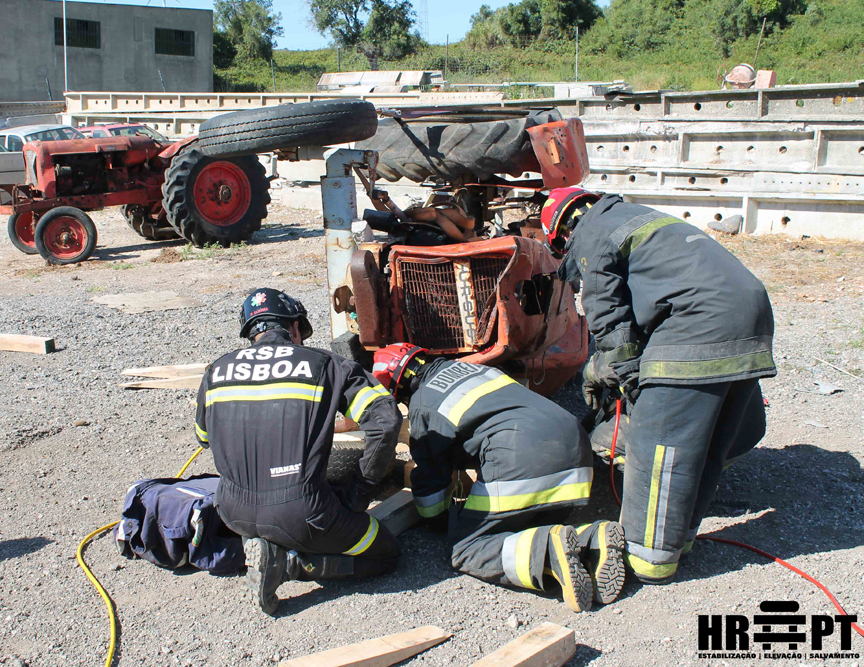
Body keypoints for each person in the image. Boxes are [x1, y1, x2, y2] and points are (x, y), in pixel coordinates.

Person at [541, 187, 776, 584]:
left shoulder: (592, 232)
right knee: (708, 440)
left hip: (699, 323)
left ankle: (646, 559)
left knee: (659, 443)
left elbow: (609, 321)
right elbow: (654, 304)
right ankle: (680, 538)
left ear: (565, 234)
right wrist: (610, 370)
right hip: (749, 315)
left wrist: (633, 385)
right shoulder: (638, 217)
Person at [371, 343, 626, 612]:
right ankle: (592, 540)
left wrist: (441, 519)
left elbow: (431, 481)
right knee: (517, 532)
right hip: (576, 455)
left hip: (525, 462)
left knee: (467, 548)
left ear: (396, 388)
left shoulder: (423, 405)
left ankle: (548, 552)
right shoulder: (472, 369)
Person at [194, 288, 403, 615]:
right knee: (385, 553)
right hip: (305, 514)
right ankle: (289, 564)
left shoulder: (215, 371)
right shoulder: (326, 364)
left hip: (233, 512)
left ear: (251, 332)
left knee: (284, 511)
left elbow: (205, 438)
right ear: (293, 327)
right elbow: (385, 421)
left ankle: (265, 544)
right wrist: (360, 491)